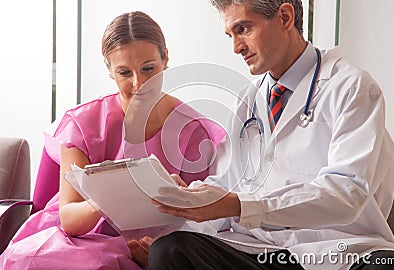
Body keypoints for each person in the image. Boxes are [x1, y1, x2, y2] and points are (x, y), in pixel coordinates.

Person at [149, 1, 394, 269]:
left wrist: (242, 207)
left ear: (284, 17)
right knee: (170, 249)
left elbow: (346, 194)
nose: (236, 47)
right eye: (230, 35)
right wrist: (186, 203)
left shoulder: (352, 87)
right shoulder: (247, 100)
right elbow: (227, 184)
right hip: (261, 250)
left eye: (243, 29)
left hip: (339, 250)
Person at [0, 11, 225, 270]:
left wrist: (181, 197)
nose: (138, 83)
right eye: (124, 72)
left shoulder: (194, 131)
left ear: (165, 58)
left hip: (155, 242)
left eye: (148, 68)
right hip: (78, 238)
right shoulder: (83, 124)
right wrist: (109, 196)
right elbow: (70, 220)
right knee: (31, 260)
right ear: (110, 71)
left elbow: (202, 222)